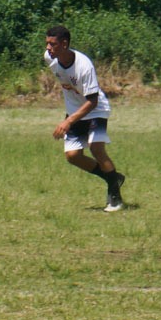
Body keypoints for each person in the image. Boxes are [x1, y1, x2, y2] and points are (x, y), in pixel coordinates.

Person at [44, 25, 126, 211]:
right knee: (73, 156)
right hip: (75, 111)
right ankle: (113, 178)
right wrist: (71, 117)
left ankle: (115, 198)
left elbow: (93, 101)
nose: (48, 48)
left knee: (97, 148)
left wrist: (68, 121)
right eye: (47, 43)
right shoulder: (50, 58)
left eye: (52, 44)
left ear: (64, 44)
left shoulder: (84, 66)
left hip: (96, 109)